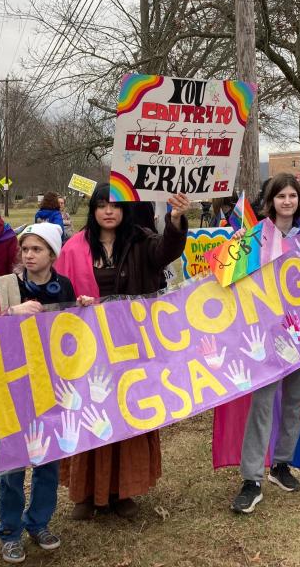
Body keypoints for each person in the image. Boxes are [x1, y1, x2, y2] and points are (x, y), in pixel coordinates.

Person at [54, 184, 189, 520]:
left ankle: (123, 491)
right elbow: (59, 295)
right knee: (92, 413)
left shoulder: (142, 241)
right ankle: (87, 493)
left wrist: (175, 218)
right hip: (88, 350)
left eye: (114, 205)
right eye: (101, 205)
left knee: (127, 412)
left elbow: (167, 252)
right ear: (93, 211)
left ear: (126, 209)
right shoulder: (74, 248)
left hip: (132, 346)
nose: (108, 211)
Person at [231, 173, 300, 514]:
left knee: (294, 401)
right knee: (261, 404)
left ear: (299, 200)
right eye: (281, 196)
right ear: (270, 200)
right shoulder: (255, 237)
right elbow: (227, 278)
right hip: (265, 337)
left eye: (292, 195)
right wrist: (233, 252)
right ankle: (251, 479)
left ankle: (281, 464)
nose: (287, 201)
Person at [0, 223, 75, 564]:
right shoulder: (6, 286)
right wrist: (10, 312)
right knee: (13, 463)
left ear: (52, 253)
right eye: (25, 249)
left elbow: (72, 334)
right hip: (12, 387)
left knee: (48, 458)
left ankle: (39, 522)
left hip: (49, 385)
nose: (29, 255)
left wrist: (83, 308)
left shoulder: (63, 285)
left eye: (37, 249)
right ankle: (9, 531)